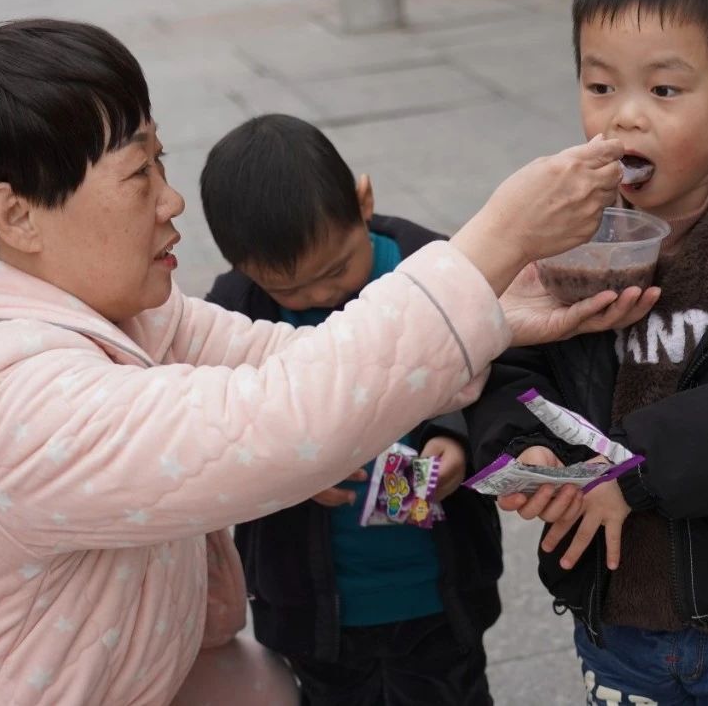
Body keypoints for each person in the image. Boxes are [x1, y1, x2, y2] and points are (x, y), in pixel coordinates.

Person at [0, 18, 629, 704]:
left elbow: (298, 361)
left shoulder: (123, 313)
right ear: (17, 215)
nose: (170, 200)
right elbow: (279, 421)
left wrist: (491, 311)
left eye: (162, 161)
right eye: (137, 175)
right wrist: (496, 238)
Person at [465, 0, 708, 704]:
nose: (624, 119)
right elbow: (513, 367)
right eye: (599, 88)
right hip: (617, 623)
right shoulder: (566, 234)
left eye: (663, 91)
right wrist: (528, 451)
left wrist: (630, 469)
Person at [201, 114, 502, 705]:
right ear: (241, 264)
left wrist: (456, 435)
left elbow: (498, 369)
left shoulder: (432, 269)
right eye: (291, 289)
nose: (320, 296)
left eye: (337, 268)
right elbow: (215, 418)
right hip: (313, 602)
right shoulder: (233, 311)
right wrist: (287, 468)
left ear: (363, 202)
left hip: (436, 586)